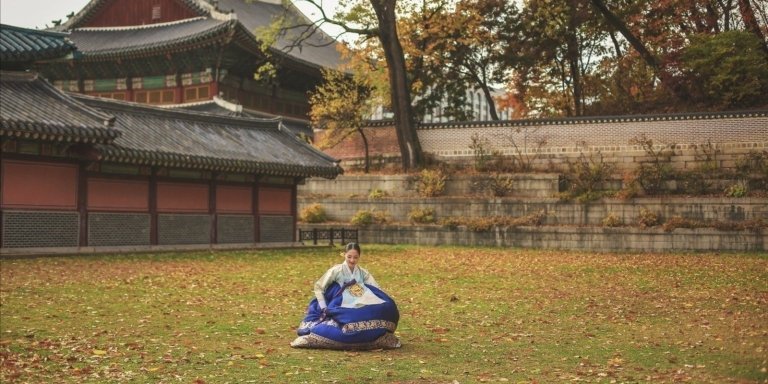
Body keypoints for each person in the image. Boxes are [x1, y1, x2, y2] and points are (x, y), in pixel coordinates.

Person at [290, 242, 401, 350]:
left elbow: (376, 288)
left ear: (359, 257)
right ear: (344, 255)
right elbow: (319, 287)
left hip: (360, 300)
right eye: (349, 257)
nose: (352, 260)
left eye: (355, 257)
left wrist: (382, 298)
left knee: (386, 306)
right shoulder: (336, 270)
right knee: (347, 320)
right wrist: (323, 306)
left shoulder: (363, 272)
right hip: (340, 302)